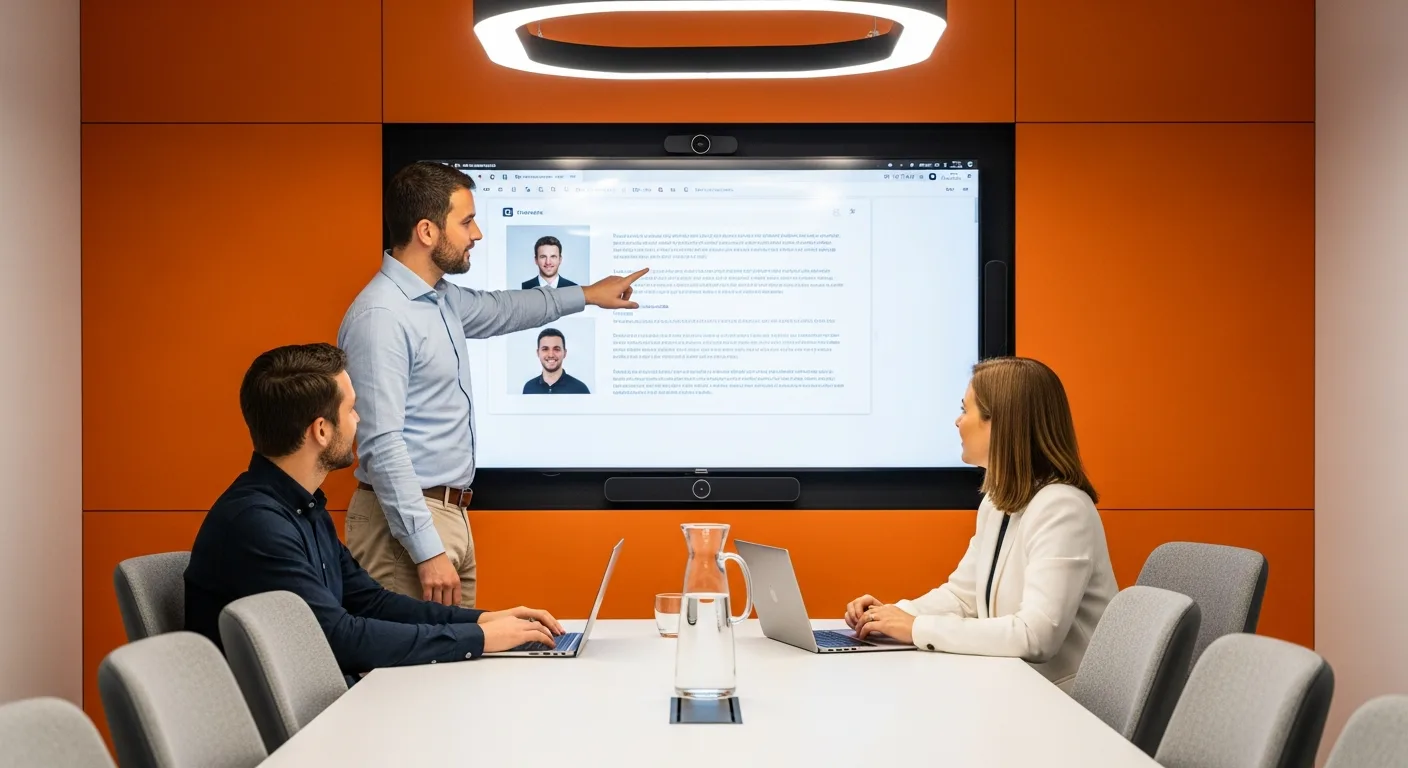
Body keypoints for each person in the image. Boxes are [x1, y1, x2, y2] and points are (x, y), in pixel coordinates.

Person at [339, 162, 645, 609]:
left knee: (456, 652)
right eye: (466, 222)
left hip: (446, 517)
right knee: (410, 657)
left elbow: (503, 309)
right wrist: (427, 549)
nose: (477, 234)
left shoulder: (439, 299)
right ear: (426, 231)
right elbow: (382, 445)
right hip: (406, 530)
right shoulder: (381, 316)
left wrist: (587, 294)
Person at [184, 343, 564, 684]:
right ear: (321, 431)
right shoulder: (256, 524)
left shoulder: (302, 507)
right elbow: (338, 639)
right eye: (351, 409)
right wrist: (478, 639)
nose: (358, 420)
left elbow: (371, 602)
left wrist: (484, 620)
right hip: (292, 729)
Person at [844, 356, 1117, 692]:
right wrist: (888, 615)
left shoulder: (1063, 508)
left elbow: (1036, 636)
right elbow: (964, 597)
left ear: (1000, 422)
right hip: (1016, 687)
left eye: (965, 409)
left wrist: (915, 628)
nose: (958, 421)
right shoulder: (997, 502)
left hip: (1063, 701)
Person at [522, 327, 590, 394]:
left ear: (565, 353)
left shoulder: (580, 389)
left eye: (556, 349)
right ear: (538, 353)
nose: (551, 355)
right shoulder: (529, 388)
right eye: (545, 349)